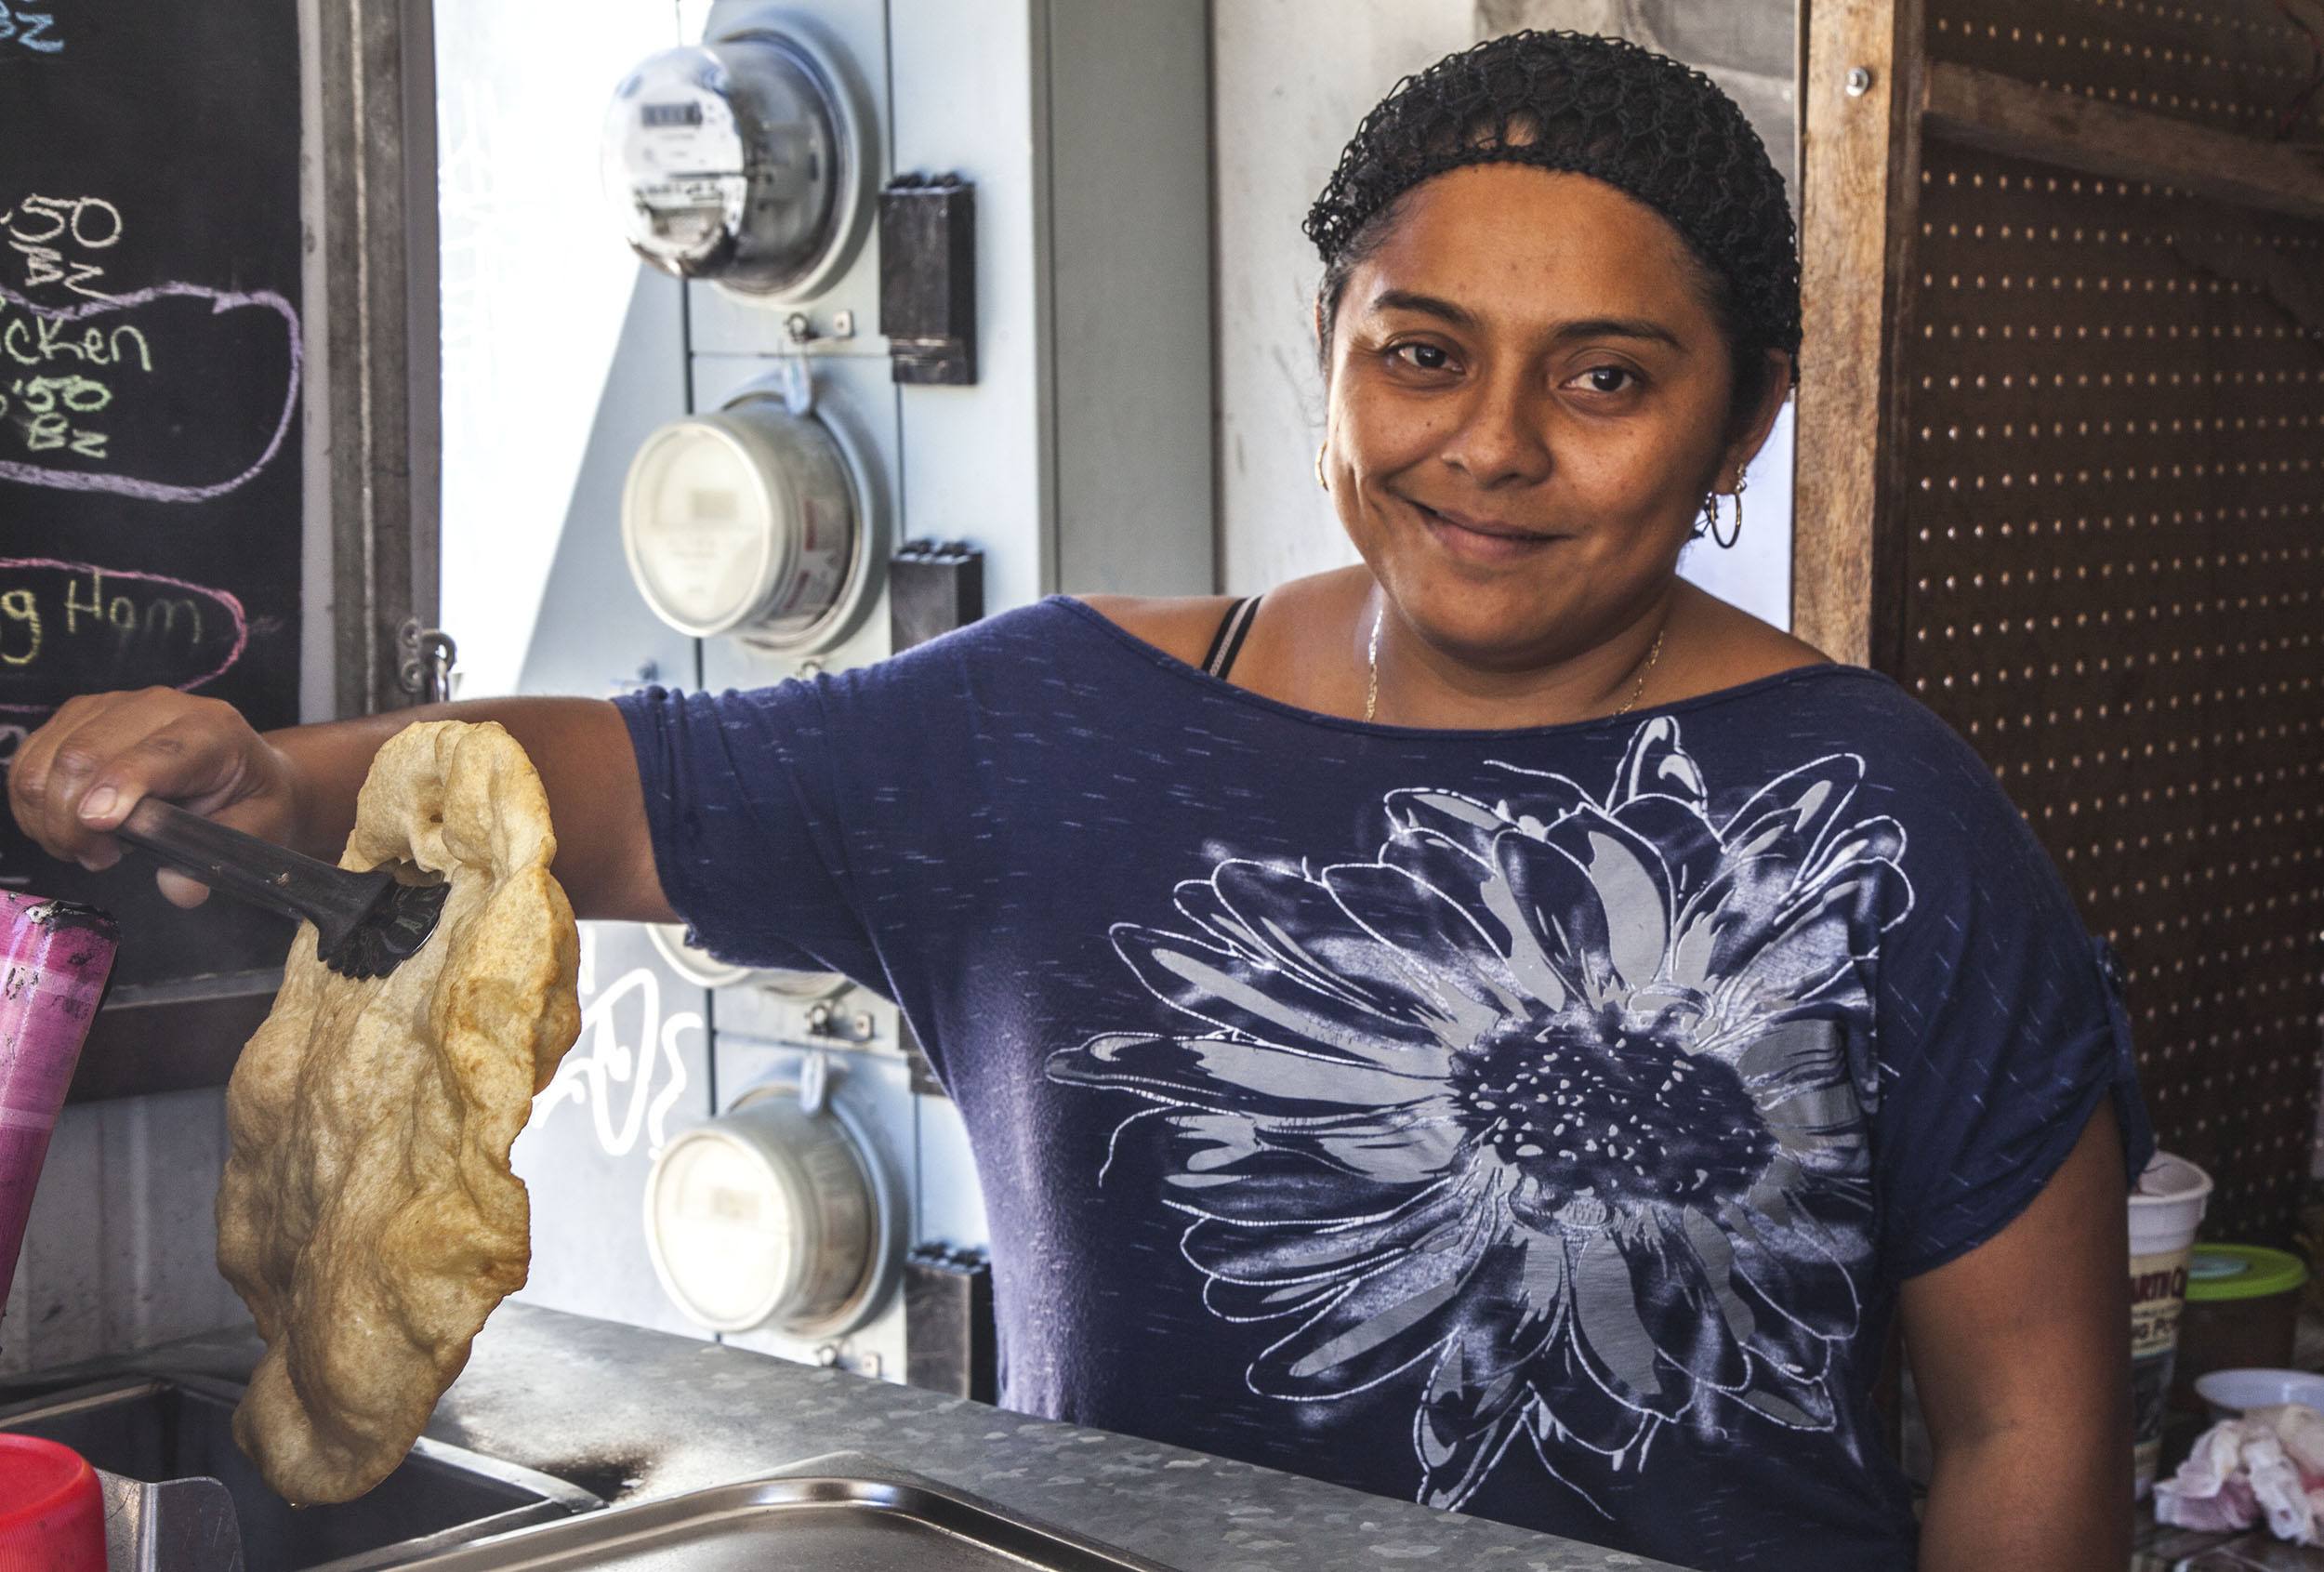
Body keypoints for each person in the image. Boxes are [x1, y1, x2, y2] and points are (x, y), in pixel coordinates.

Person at [9, 31, 2148, 1571]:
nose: (1491, 443)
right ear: (1329, 345)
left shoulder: (1879, 817)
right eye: (1420, 351)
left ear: (1737, 418)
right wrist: (263, 771)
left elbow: (2025, 1431)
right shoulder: (1049, 727)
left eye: (1603, 376)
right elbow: (584, 784)